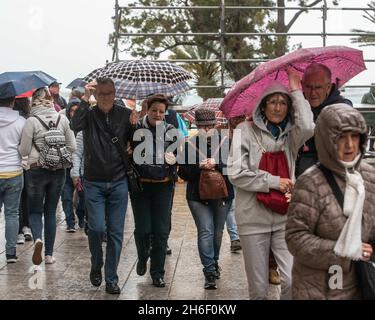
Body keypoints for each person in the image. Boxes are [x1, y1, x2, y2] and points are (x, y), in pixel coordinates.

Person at [227, 69, 314, 299]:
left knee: (292, 280)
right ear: (262, 106)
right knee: (259, 289)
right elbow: (236, 173)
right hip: (253, 220)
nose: (277, 107)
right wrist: (275, 181)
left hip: (285, 218)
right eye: (273, 102)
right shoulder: (243, 131)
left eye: (283, 103)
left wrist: (295, 89)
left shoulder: (290, 136)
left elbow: (307, 126)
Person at [286, 104, 375, 299]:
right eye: (341, 137)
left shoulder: (369, 176)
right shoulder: (309, 182)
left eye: (355, 136)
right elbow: (295, 238)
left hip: (361, 283)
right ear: (327, 140)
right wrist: (344, 252)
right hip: (320, 288)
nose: (350, 145)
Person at [71, 78, 136, 294]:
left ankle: (112, 278)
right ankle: (96, 262)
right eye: (101, 93)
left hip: (118, 180)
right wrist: (83, 99)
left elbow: (135, 143)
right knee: (96, 229)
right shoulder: (88, 115)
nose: (105, 97)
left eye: (109, 93)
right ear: (96, 94)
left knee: (116, 233)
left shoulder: (125, 115)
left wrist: (136, 126)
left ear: (115, 93)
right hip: (94, 181)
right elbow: (74, 125)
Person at [178, 108, 234, 290]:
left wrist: (217, 164)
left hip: (223, 194)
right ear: (197, 126)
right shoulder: (189, 145)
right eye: (202, 126)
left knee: (218, 233)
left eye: (209, 125)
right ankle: (209, 270)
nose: (206, 129)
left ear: (215, 125)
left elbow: (236, 169)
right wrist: (199, 167)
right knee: (206, 231)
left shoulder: (228, 142)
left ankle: (214, 261)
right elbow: (182, 173)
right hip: (197, 195)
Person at [19, 87, 76, 265]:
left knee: (35, 211)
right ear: (52, 101)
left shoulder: (31, 121)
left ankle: (37, 239)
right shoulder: (63, 118)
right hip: (59, 170)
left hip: (36, 169)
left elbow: (24, 150)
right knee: (50, 211)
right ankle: (49, 255)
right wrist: (56, 155)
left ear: (33, 101)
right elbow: (72, 147)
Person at [130, 94, 178, 288]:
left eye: (161, 112)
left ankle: (157, 272)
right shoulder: (135, 129)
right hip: (140, 186)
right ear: (147, 109)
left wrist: (174, 158)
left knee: (160, 232)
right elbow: (127, 154)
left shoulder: (170, 130)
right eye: (154, 111)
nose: (158, 115)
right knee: (143, 230)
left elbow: (180, 155)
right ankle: (142, 257)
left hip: (163, 186)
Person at [296, 63, 352, 177]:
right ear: (301, 85)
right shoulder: (296, 105)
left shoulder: (342, 106)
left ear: (328, 87)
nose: (313, 93)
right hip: (299, 169)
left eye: (318, 87)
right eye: (308, 87)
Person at [0, 94, 26, 263]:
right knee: (12, 214)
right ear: (13, 101)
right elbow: (24, 149)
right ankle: (10, 253)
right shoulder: (21, 122)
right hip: (14, 172)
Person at [60, 99, 85, 231]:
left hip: (81, 167)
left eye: (77, 111)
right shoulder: (63, 125)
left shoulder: (85, 126)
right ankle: (70, 222)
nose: (74, 113)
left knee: (83, 196)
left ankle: (81, 216)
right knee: (66, 196)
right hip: (66, 165)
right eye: (72, 110)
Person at [13, 98, 33, 244]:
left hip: (14, 164)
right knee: (27, 196)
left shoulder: (15, 120)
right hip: (28, 163)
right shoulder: (27, 120)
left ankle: (19, 231)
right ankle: (27, 226)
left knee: (17, 200)